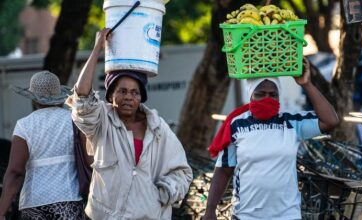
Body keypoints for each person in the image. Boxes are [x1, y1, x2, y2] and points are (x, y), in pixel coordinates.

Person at [66, 28, 193, 219]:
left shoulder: (158, 129)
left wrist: (163, 193)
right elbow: (82, 98)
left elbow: (182, 171)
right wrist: (96, 50)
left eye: (135, 92)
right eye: (122, 91)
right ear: (111, 95)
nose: (128, 97)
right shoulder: (102, 121)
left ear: (141, 97)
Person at [203, 58, 339, 220]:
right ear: (250, 96)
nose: (267, 98)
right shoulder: (236, 125)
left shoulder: (291, 122)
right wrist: (210, 209)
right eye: (261, 94)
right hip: (246, 215)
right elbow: (224, 170)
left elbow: (331, 121)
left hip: (287, 215)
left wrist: (306, 84)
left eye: (273, 95)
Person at [0, 71, 84, 220]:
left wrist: (2, 210)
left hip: (34, 204)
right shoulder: (74, 121)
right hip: (68, 200)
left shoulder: (24, 126)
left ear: (34, 99)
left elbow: (15, 172)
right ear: (59, 97)